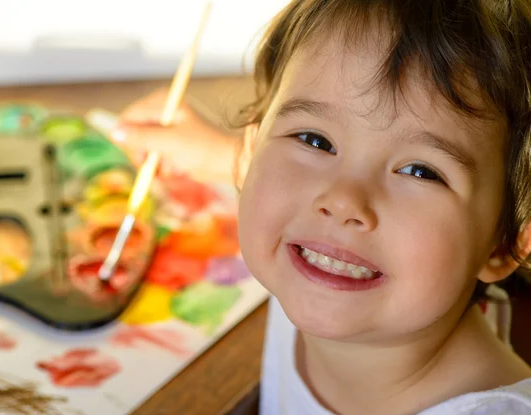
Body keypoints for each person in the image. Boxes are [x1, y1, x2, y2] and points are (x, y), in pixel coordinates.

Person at [114, 0, 531, 413]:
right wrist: (214, 156)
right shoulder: (319, 255)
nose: (341, 199)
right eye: (314, 140)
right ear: (250, 153)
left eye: (420, 172)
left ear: (505, 243)